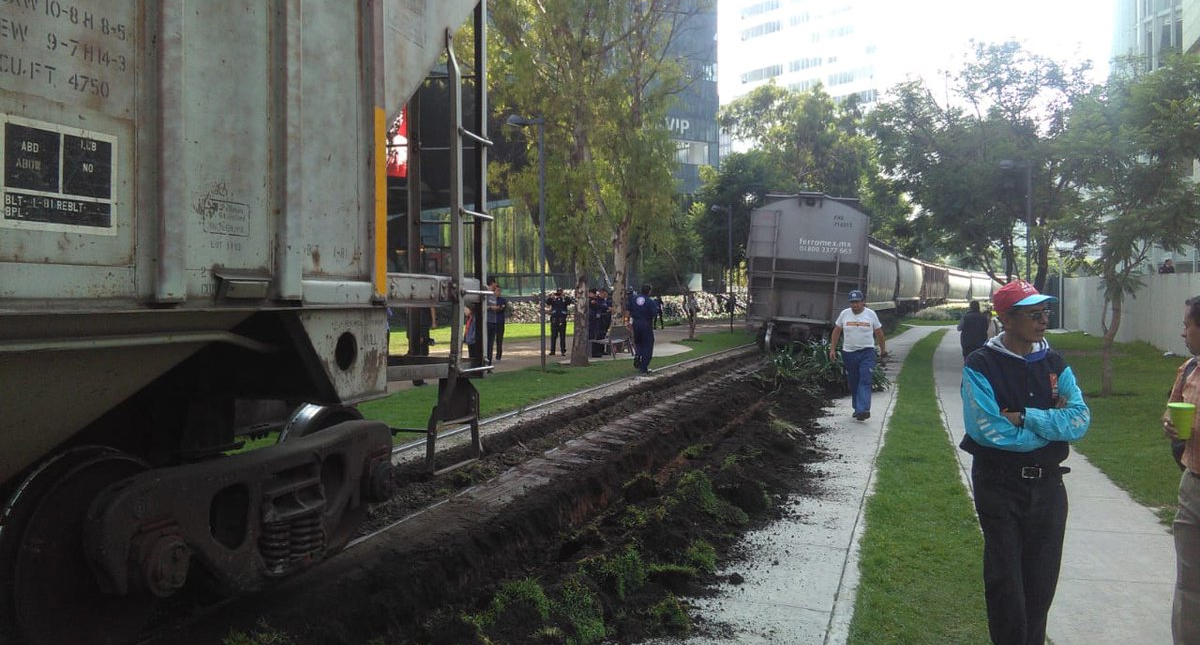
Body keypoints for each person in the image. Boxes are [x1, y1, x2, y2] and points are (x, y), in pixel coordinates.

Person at [960, 280, 1091, 645]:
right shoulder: (981, 364)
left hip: (1049, 487)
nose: (1043, 320)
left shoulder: (1054, 362)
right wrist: (1053, 427)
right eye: (1034, 314)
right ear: (1006, 319)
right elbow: (988, 431)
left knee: (1041, 584)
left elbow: (1079, 421)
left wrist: (1026, 417)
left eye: (1044, 312)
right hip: (999, 485)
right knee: (1006, 584)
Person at [1163, 295, 1200, 643]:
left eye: (1187, 325)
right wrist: (1171, 425)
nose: (1183, 333)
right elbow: (1171, 410)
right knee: (1190, 583)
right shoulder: (1188, 368)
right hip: (1193, 486)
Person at [827, 289, 886, 420]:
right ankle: (857, 408)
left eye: (857, 302)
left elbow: (879, 333)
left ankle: (863, 409)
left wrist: (883, 351)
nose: (854, 305)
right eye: (852, 302)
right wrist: (832, 349)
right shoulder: (844, 314)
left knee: (865, 379)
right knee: (854, 381)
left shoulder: (870, 314)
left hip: (867, 352)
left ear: (863, 302)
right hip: (849, 353)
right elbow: (836, 332)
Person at [626, 284, 661, 373]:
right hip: (645, 324)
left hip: (635, 323)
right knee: (648, 344)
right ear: (649, 291)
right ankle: (644, 366)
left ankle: (638, 354)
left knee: (638, 342)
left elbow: (628, 310)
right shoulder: (650, 301)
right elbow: (654, 313)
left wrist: (628, 322)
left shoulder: (633, 299)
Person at [546, 287, 574, 356]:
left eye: (560, 292)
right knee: (553, 336)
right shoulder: (553, 300)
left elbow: (570, 301)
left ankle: (563, 351)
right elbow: (547, 302)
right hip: (554, 320)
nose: (559, 293)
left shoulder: (564, 299)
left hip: (562, 319)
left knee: (562, 336)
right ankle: (552, 351)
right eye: (558, 292)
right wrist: (552, 297)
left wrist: (564, 296)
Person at [485, 279, 507, 364]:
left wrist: (497, 308)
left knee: (498, 339)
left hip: (497, 321)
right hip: (489, 321)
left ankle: (495, 358)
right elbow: (485, 306)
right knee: (488, 342)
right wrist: (491, 308)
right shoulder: (488, 295)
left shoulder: (500, 299)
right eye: (495, 284)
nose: (498, 292)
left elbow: (502, 308)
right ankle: (486, 360)